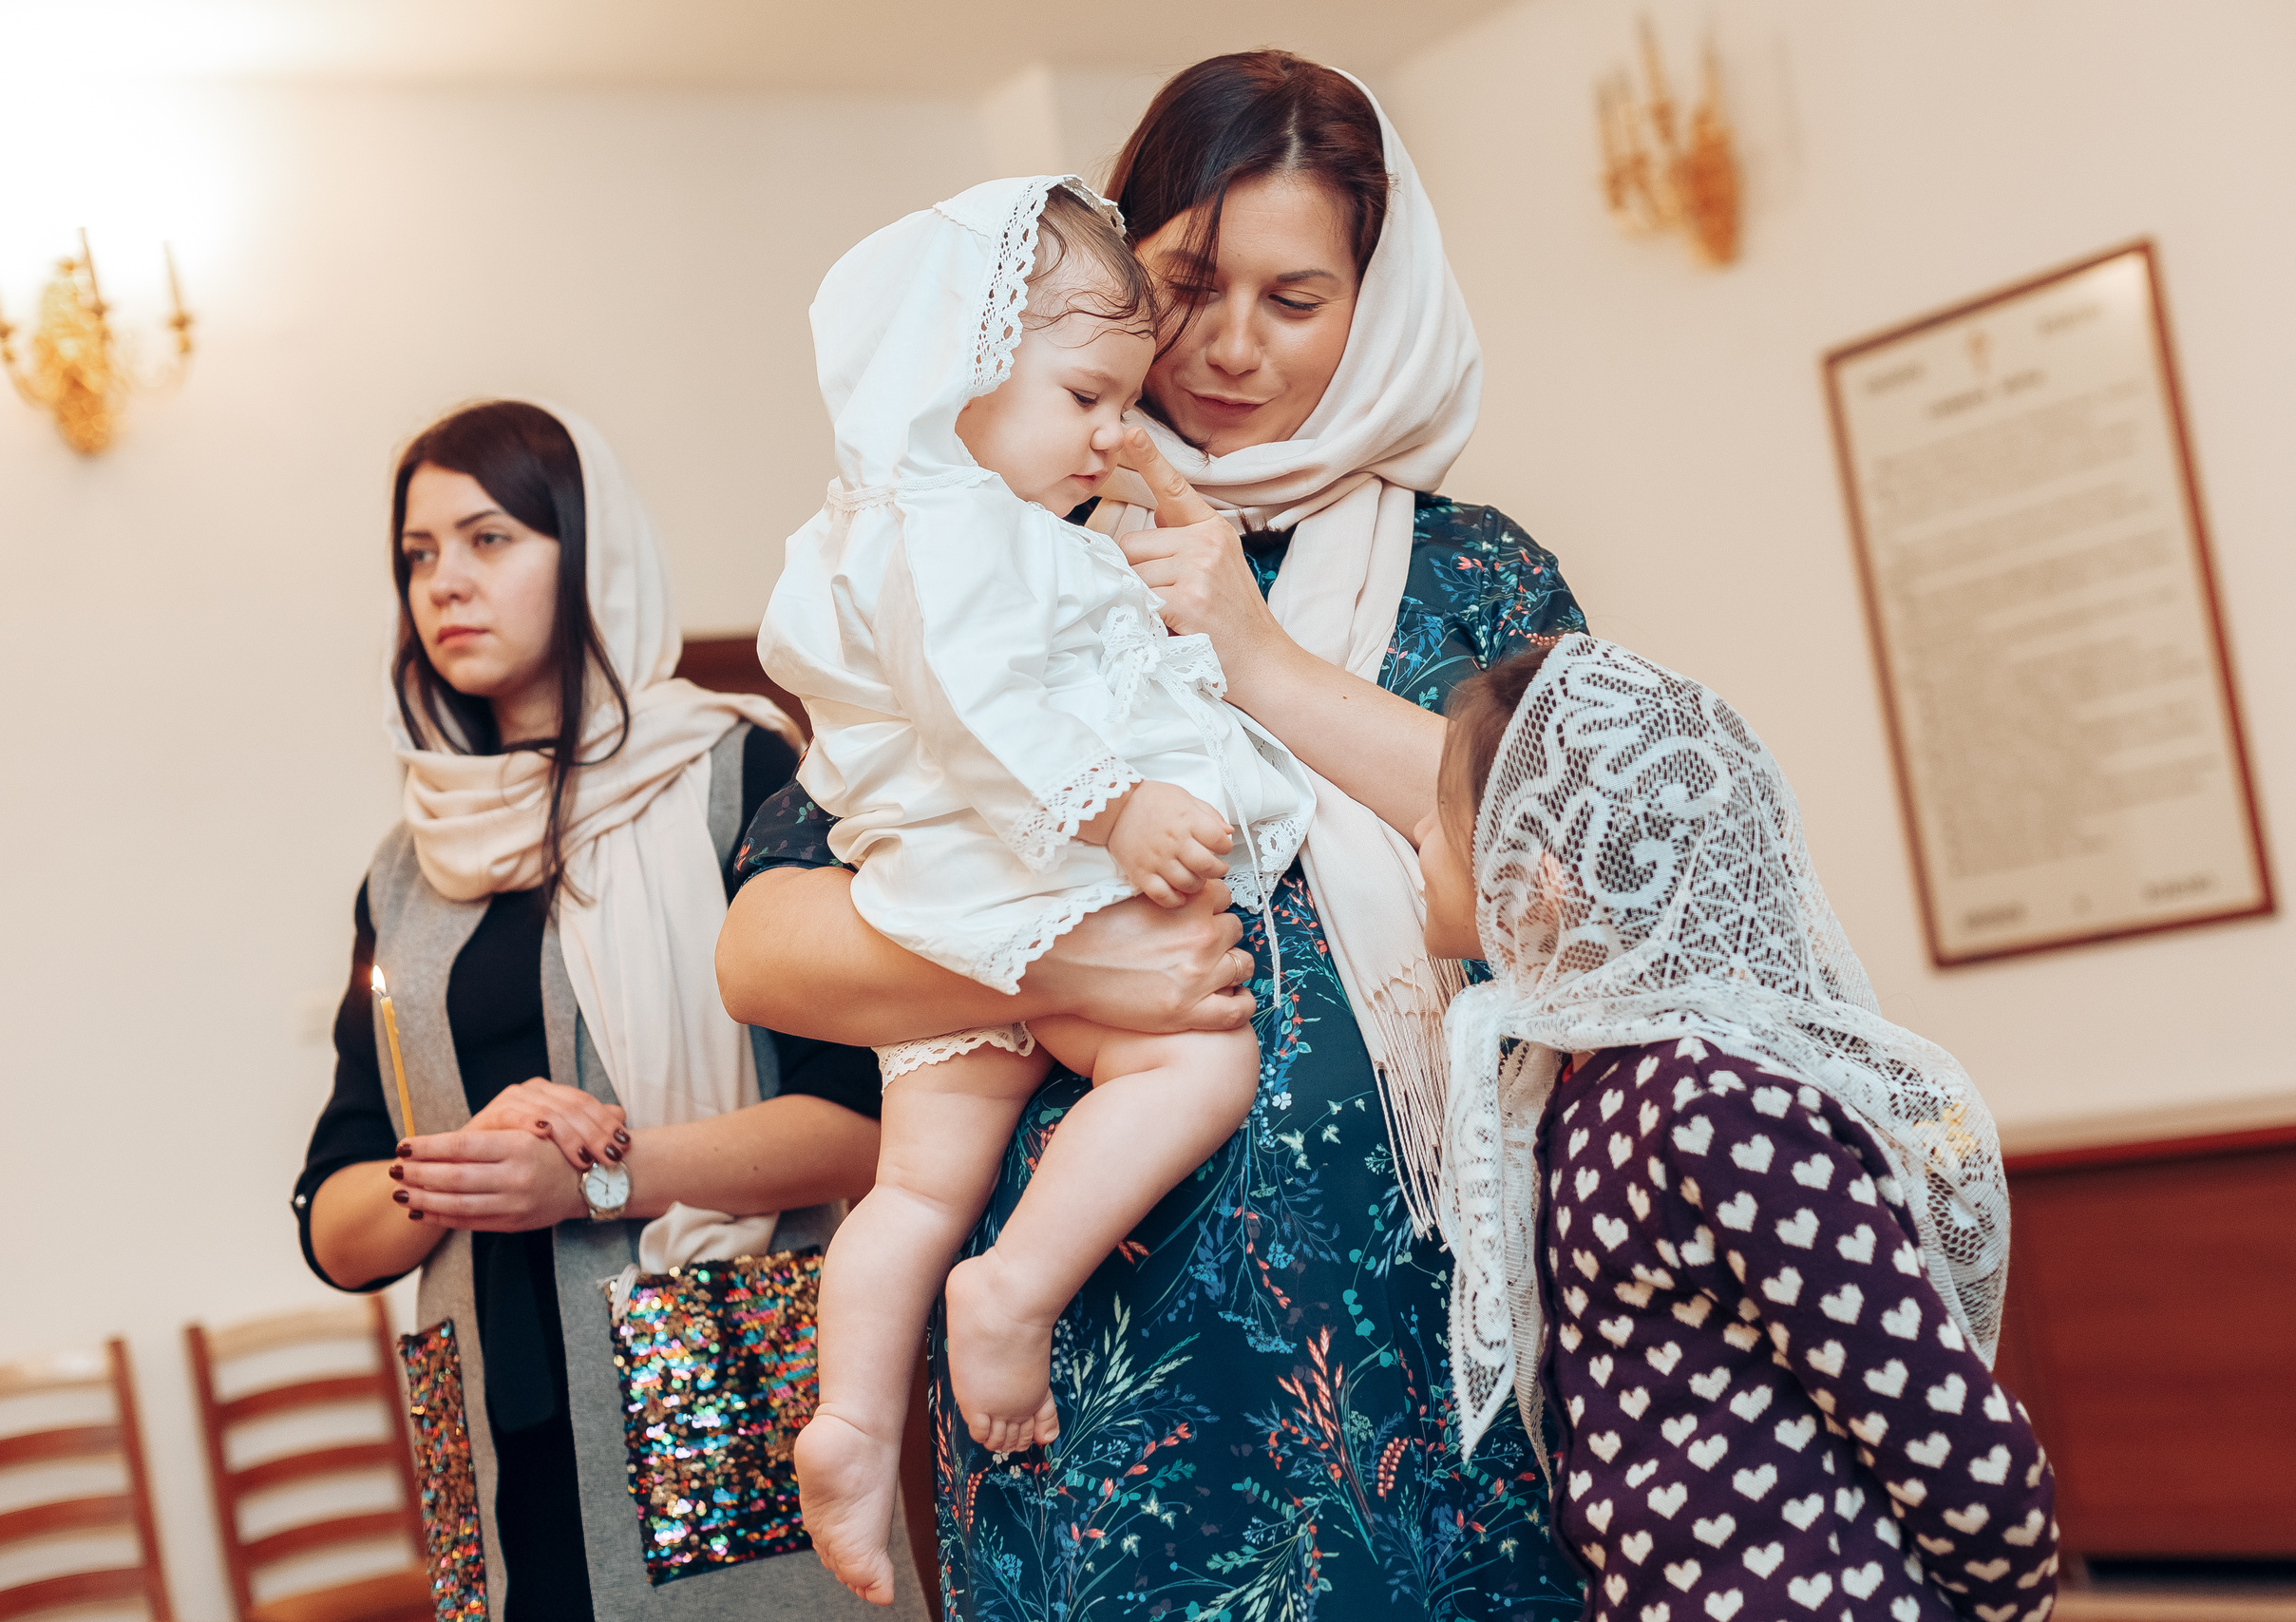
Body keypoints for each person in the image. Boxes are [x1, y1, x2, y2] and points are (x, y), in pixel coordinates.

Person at [720, 52, 1591, 1619]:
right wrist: (1072, 966)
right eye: (1188, 283)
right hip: (1097, 1395)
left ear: (1374, 304)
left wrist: (1260, 663)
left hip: (1430, 1370)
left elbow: (1578, 888)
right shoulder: (986, 535)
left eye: (1297, 296)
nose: (1231, 347)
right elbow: (766, 943)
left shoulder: (1479, 583)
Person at [765, 176, 1319, 1603]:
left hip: (941, 900)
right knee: (1195, 1055)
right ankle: (1015, 1287)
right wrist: (1119, 804)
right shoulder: (959, 526)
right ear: (955, 374)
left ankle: (851, 1419)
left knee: (915, 1184)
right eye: (1085, 394)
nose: (1111, 432)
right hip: (1029, 879)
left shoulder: (900, 522)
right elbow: (986, 704)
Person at [293, 400, 930, 1622]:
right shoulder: (404, 868)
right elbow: (336, 1219)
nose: (445, 585)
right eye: (418, 556)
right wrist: (461, 1167)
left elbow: (868, 1123)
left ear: (589, 551)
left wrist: (592, 1181)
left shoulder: (740, 783)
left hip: (710, 1373)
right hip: (488, 1419)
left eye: (489, 540)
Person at [1418, 635, 2061, 1622]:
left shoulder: (1710, 1101)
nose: (1414, 838)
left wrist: (2003, 1602)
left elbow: (1948, 1435)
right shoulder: (1577, 1089)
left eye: (1442, 819)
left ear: (1538, 882)